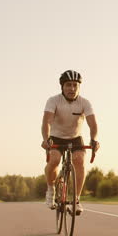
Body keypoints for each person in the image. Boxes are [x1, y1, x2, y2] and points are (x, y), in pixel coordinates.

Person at [41, 70, 99, 215]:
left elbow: (93, 124)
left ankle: (76, 200)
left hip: (75, 137)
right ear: (62, 87)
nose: (72, 88)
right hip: (56, 136)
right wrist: (46, 139)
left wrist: (94, 140)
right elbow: (47, 122)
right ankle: (50, 189)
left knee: (79, 160)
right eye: (68, 85)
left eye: (75, 85)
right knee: (54, 159)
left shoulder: (85, 103)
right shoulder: (53, 100)